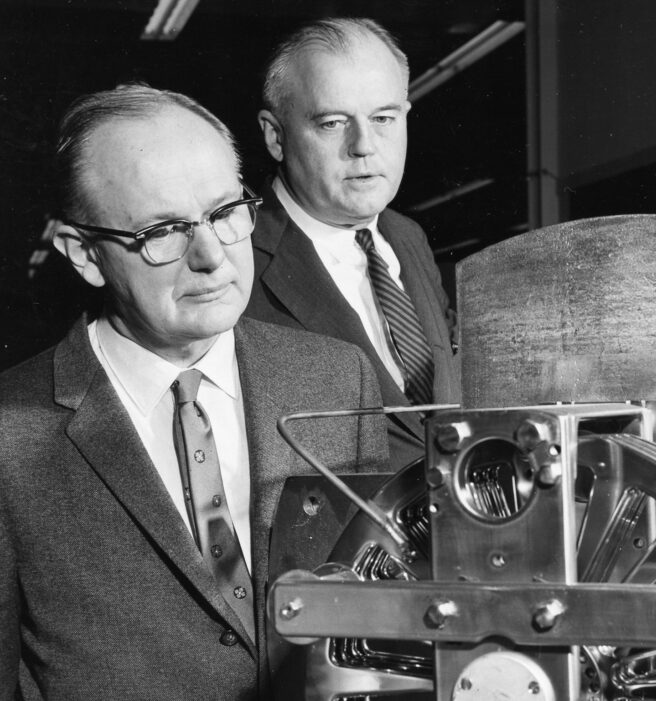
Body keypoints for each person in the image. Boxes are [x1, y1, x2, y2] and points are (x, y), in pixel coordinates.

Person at [0, 83, 388, 700]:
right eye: (163, 231)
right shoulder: (12, 434)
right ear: (85, 255)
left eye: (225, 212)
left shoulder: (337, 377)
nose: (212, 256)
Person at [244, 18, 460, 470]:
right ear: (275, 136)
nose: (364, 145)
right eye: (332, 123)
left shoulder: (406, 237)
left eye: (384, 118)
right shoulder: (234, 258)